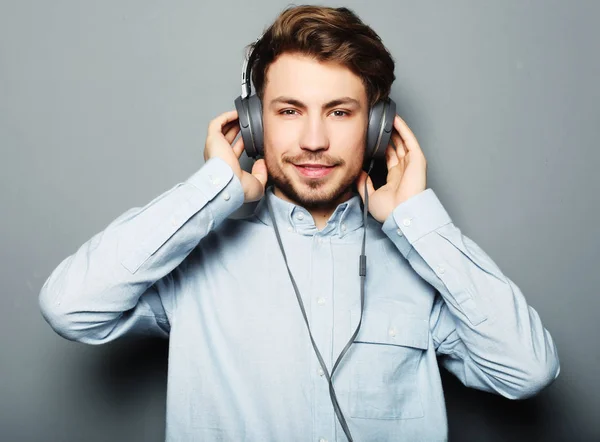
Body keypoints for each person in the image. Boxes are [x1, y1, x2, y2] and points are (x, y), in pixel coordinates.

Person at [39, 5, 560, 442]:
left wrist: (420, 223)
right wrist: (211, 191)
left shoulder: (424, 264)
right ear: (253, 121)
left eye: (339, 112)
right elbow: (69, 308)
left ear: (378, 128)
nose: (313, 139)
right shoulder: (193, 255)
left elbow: (528, 370)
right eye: (289, 111)